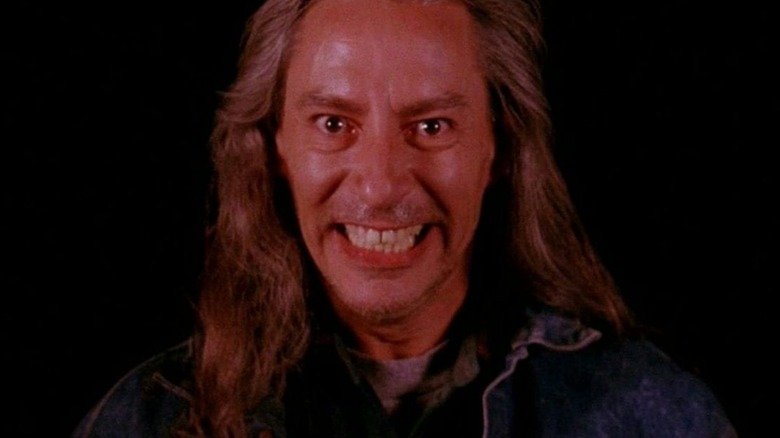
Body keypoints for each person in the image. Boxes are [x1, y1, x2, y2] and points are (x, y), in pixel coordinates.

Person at [74, 0, 736, 436]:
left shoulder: (648, 415)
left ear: (498, 149)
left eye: (432, 125)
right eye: (333, 124)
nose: (382, 185)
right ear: (277, 147)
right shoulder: (149, 421)